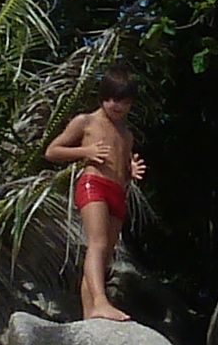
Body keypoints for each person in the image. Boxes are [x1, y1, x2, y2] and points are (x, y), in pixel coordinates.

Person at [40, 69, 147, 322]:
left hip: (117, 191)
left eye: (122, 100)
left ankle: (90, 312)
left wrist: (130, 170)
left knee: (105, 253)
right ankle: (100, 301)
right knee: (97, 244)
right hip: (93, 183)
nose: (115, 105)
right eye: (110, 99)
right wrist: (85, 150)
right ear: (102, 98)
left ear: (130, 102)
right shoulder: (86, 121)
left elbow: (120, 165)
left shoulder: (126, 134)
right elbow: (52, 151)